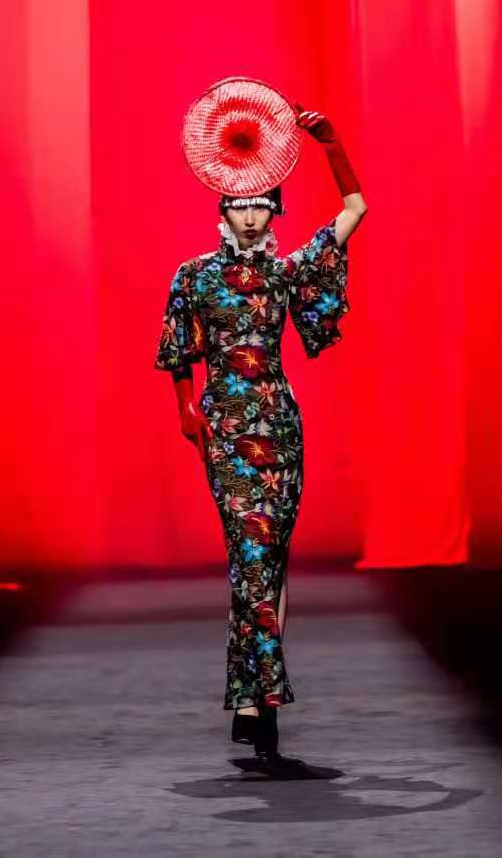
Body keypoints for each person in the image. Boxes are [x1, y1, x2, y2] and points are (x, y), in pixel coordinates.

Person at [155, 106, 365, 771]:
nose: (250, 216)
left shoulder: (284, 273)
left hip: (279, 426)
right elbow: (178, 353)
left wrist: (332, 145)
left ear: (274, 211)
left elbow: (355, 210)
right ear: (222, 209)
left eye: (261, 206)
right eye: (240, 205)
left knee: (268, 560)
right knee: (251, 556)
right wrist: (187, 409)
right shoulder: (194, 276)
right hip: (225, 428)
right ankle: (262, 702)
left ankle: (251, 701)